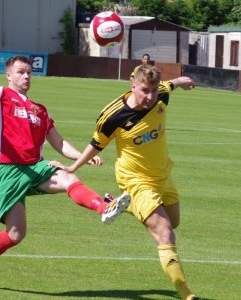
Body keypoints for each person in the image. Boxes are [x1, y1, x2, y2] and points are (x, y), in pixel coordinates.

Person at [0, 56, 130, 288]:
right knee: (15, 234)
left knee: (67, 177)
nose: (26, 76)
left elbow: (59, 143)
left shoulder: (40, 110)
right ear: (9, 75)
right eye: (21, 72)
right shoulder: (0, 95)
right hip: (6, 170)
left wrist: (84, 156)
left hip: (35, 167)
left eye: (29, 72)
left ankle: (105, 207)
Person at [50, 65, 199, 300]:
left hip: (163, 175)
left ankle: (126, 205)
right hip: (135, 181)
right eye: (144, 91)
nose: (150, 97)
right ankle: (186, 294)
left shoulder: (161, 93)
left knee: (174, 222)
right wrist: (72, 166)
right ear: (133, 86)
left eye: (152, 91)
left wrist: (182, 80)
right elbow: (95, 144)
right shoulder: (113, 115)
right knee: (165, 233)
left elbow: (171, 84)